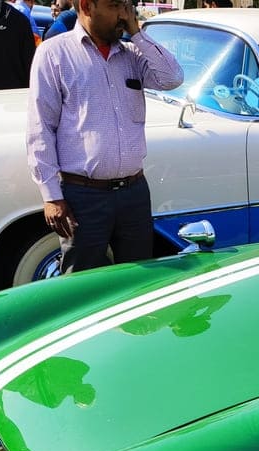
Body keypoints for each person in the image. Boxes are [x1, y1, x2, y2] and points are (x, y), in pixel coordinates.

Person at [26, 0, 182, 274]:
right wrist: (51, 196)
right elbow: (41, 128)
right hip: (83, 196)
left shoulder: (133, 54)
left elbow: (172, 78)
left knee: (138, 280)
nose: (123, 14)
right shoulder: (55, 54)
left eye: (127, 6)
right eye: (115, 6)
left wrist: (137, 33)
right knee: (83, 286)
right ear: (87, 6)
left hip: (133, 193)